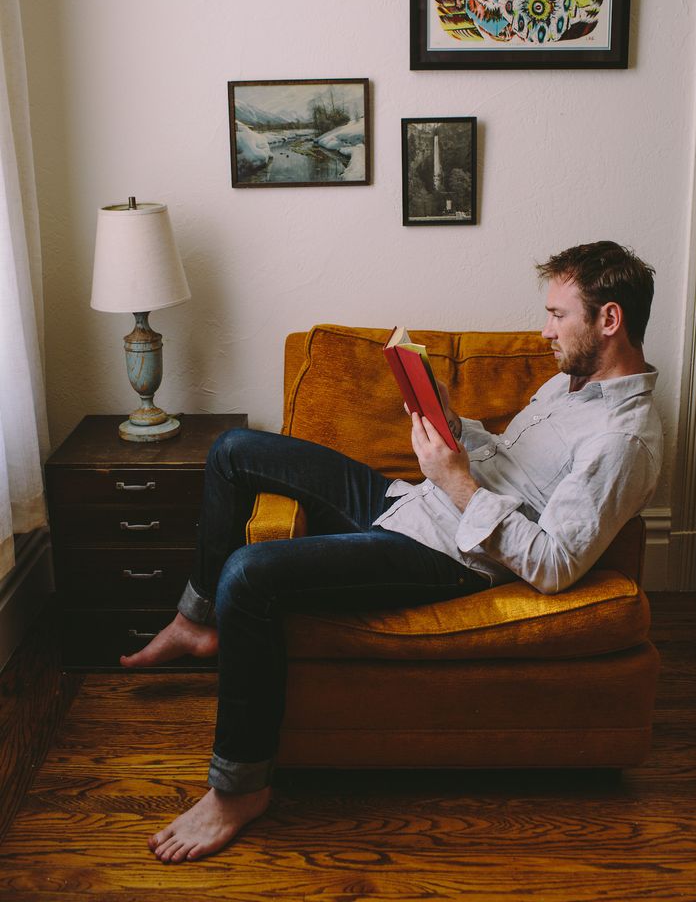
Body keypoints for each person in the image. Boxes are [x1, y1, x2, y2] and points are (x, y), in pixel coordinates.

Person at [124, 240, 663, 863]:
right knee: (234, 450)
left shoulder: (623, 440)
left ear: (610, 319)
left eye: (557, 315)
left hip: (451, 555)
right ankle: (197, 622)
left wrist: (454, 479)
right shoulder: (573, 384)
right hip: (419, 501)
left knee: (248, 574)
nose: (545, 331)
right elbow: (511, 467)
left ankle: (240, 788)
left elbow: (553, 564)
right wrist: (454, 428)